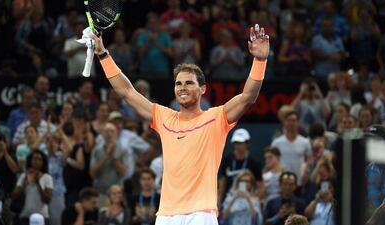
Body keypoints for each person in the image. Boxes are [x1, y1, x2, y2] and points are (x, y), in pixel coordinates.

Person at [91, 23, 269, 225]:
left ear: (202, 89)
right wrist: (104, 55)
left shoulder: (216, 117)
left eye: (189, 83)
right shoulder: (164, 117)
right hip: (166, 215)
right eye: (178, 83)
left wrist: (260, 60)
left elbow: (248, 96)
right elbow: (127, 92)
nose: (182, 88)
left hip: (201, 214)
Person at [219, 128, 264, 202]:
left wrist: (254, 202)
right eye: (236, 142)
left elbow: (260, 186)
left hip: (247, 200)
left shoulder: (254, 163)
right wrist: (220, 201)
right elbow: (223, 181)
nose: (237, 145)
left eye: (240, 142)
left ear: (247, 143)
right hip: (229, 200)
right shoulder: (227, 160)